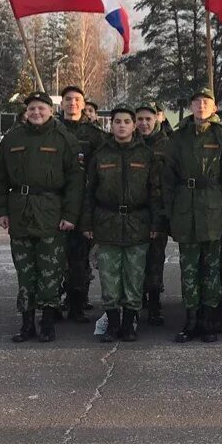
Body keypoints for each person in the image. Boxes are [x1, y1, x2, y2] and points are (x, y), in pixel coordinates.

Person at [0, 91, 84, 344]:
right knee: (25, 272)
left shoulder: (64, 139)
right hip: (20, 213)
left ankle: (48, 322)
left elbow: (76, 181)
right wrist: (0, 211)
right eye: (32, 109)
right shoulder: (12, 138)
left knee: (51, 272)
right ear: (26, 112)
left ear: (51, 111)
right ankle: (27, 323)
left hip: (51, 214)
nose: (36, 113)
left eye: (41, 108)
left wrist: (70, 215)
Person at [160, 86, 222, 343]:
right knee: (189, 268)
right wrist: (170, 211)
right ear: (191, 106)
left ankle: (209, 320)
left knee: (211, 267)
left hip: (212, 207)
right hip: (185, 206)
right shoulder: (179, 137)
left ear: (214, 107)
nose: (201, 106)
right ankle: (191, 319)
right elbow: (168, 177)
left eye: (206, 102)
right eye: (197, 101)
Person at [84, 105, 163, 343]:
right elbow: (89, 192)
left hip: (137, 222)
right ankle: (112, 324)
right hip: (106, 222)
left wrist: (156, 223)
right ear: (111, 125)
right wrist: (87, 223)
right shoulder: (101, 154)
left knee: (134, 276)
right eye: (117, 121)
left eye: (126, 121)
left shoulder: (146, 155)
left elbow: (155, 192)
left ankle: (129, 324)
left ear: (133, 125)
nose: (121, 125)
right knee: (109, 278)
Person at [57, 85, 106, 323]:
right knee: (55, 257)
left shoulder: (94, 134)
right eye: (68, 99)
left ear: (83, 103)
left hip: (84, 202)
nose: (72, 103)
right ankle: (53, 303)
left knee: (79, 258)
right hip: (55, 202)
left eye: (77, 99)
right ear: (62, 103)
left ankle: (77, 304)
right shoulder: (53, 130)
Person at [135, 99, 171, 325]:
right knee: (135, 258)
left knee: (155, 258)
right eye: (140, 119)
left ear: (157, 118)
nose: (144, 123)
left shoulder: (167, 144)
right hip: (135, 210)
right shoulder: (129, 141)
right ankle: (137, 300)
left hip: (158, 209)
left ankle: (155, 302)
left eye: (148, 118)